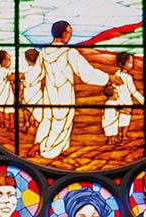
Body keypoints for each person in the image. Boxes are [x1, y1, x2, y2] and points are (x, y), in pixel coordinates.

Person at [33, 19, 110, 159]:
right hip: (64, 92)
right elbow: (87, 74)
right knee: (62, 121)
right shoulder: (69, 52)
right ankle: (48, 151)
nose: (70, 36)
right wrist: (107, 78)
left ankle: (38, 142)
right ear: (63, 34)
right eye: (69, 33)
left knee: (48, 118)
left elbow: (37, 74)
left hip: (49, 91)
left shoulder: (44, 52)